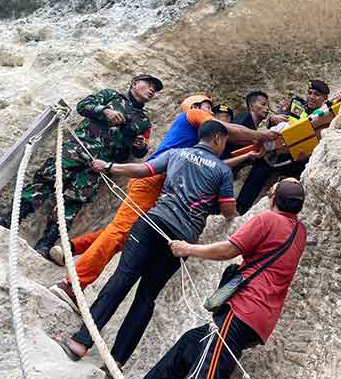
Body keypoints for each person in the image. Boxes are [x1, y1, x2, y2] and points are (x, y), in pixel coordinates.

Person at [47, 95, 275, 311]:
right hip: (153, 180)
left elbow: (218, 164)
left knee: (127, 233)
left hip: (161, 186)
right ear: (196, 106)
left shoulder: (195, 142)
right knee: (121, 231)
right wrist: (265, 135)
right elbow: (225, 132)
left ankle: (73, 248)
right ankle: (72, 284)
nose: (212, 113)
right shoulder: (194, 115)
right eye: (209, 107)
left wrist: (246, 157)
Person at [53, 120, 238, 366]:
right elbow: (227, 209)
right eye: (224, 142)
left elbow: (144, 170)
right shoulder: (222, 171)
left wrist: (109, 167)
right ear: (217, 139)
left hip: (153, 223)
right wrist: (226, 210)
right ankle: (117, 360)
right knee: (147, 297)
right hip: (181, 239)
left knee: (121, 280)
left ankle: (80, 342)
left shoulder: (177, 154)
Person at [134, 178, 307, 379]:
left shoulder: (268, 220)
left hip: (241, 310)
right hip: (261, 320)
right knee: (191, 344)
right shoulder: (300, 233)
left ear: (274, 200)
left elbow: (228, 250)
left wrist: (187, 248)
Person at [0, 74, 161, 260]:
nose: (151, 90)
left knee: (73, 202)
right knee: (45, 182)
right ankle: (11, 219)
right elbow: (83, 106)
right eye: (148, 84)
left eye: (154, 90)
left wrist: (139, 147)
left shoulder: (144, 122)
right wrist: (105, 111)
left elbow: (139, 151)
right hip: (76, 149)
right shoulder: (111, 96)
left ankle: (46, 243)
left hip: (98, 165)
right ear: (134, 83)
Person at [235, 81, 329, 215]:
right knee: (261, 164)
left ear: (325, 98)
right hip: (277, 152)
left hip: (301, 160)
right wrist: (272, 119)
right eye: (310, 93)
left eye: (317, 94)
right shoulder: (296, 105)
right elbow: (272, 125)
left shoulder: (326, 115)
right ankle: (241, 208)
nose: (312, 97)